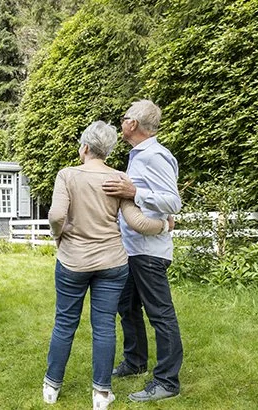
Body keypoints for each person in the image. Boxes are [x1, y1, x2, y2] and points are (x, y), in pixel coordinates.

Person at [43, 121, 170, 410]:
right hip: (112, 263)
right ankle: (101, 394)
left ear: (85, 147)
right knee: (104, 326)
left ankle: (51, 387)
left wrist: (58, 235)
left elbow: (57, 215)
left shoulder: (67, 175)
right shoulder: (118, 179)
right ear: (108, 150)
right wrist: (164, 225)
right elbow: (136, 222)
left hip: (73, 261)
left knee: (65, 322)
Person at [101, 99, 183, 402]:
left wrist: (135, 191)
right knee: (127, 307)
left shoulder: (155, 156)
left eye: (124, 118)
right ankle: (135, 361)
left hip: (149, 252)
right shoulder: (138, 156)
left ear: (133, 123)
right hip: (131, 249)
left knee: (160, 314)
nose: (121, 123)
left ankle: (167, 381)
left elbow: (173, 202)